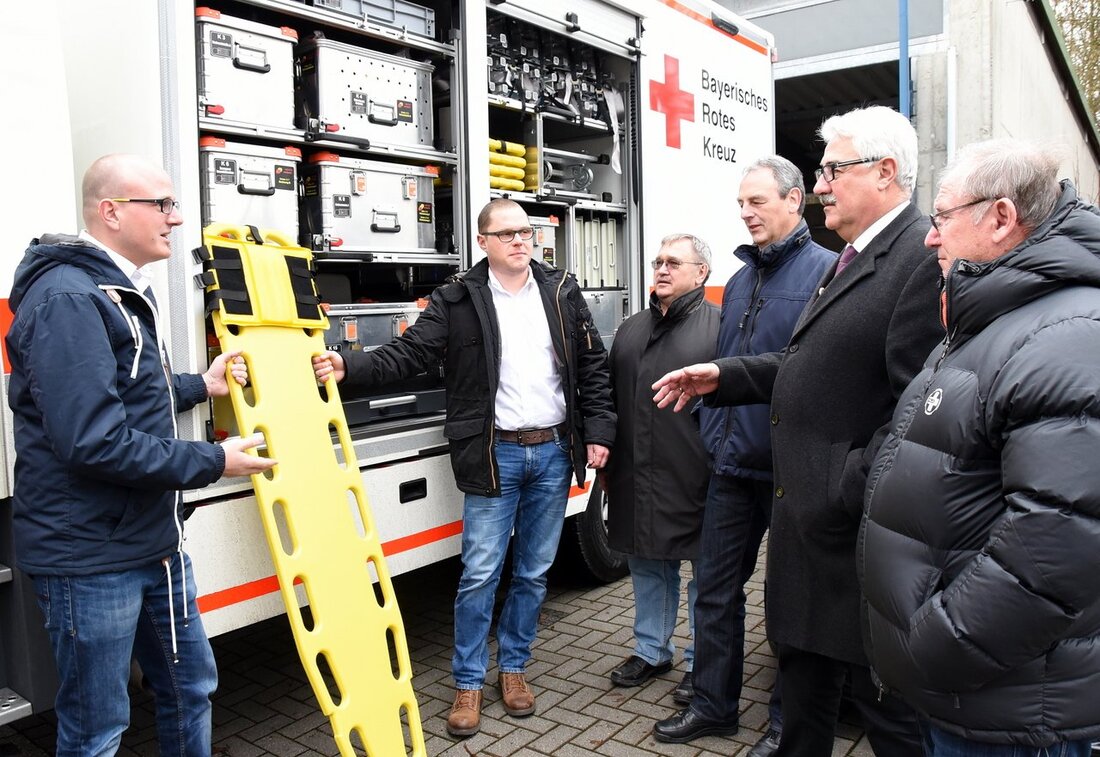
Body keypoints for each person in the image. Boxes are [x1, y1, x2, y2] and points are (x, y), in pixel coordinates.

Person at [652, 106, 943, 756]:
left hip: (852, 541)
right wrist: (725, 377)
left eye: (833, 169)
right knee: (803, 694)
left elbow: (921, 411)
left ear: (885, 172)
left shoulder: (917, 261)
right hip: (811, 532)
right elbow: (810, 362)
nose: (821, 185)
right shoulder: (855, 257)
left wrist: (843, 484)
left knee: (888, 717)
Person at [5, 153, 277, 756]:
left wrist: (196, 386)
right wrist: (213, 461)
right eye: (162, 204)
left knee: (190, 688)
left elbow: (125, 387)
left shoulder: (113, 290)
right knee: (98, 727)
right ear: (111, 212)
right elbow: (92, 441)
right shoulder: (68, 300)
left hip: (151, 541)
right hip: (91, 555)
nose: (176, 219)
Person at [312, 198, 615, 738]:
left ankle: (515, 669)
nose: (521, 241)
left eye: (526, 232)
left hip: (551, 451)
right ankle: (469, 681)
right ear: (484, 243)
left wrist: (598, 431)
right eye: (507, 234)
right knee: (479, 574)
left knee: (533, 571)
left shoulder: (562, 290)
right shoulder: (457, 300)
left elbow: (591, 365)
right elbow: (407, 355)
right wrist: (348, 365)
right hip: (493, 454)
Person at [860, 140, 1100, 757]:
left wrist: (935, 645)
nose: (929, 238)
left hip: (1009, 712)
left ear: (999, 217)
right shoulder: (998, 316)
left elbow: (1056, 546)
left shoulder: (1065, 337)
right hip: (978, 699)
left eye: (942, 218)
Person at [653, 156, 836, 752]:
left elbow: (818, 373)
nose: (746, 213)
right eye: (740, 203)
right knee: (713, 591)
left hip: (789, 468)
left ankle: (787, 726)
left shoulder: (828, 274)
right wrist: (712, 430)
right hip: (730, 465)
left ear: (794, 200)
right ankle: (713, 705)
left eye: (757, 202)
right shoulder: (736, 281)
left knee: (789, 604)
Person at [604, 234, 718, 699]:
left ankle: (702, 662)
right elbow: (609, 398)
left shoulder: (721, 326)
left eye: (674, 262)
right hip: (637, 471)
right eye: (658, 262)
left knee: (704, 572)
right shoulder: (631, 328)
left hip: (698, 471)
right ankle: (652, 650)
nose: (662, 270)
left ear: (701, 273)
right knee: (647, 563)